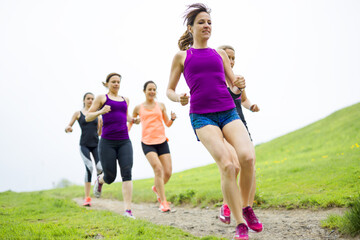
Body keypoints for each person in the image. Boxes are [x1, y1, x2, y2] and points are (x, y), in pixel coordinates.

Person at [166, 3, 260, 239]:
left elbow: (234, 82)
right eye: (201, 22)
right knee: (228, 165)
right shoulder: (181, 56)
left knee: (247, 157)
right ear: (191, 28)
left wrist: (241, 83)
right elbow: (169, 89)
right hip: (202, 116)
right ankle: (240, 223)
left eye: (209, 22)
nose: (206, 25)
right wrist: (179, 98)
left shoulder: (219, 54)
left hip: (228, 111)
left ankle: (246, 207)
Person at [217, 45, 261, 230]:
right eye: (228, 57)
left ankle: (247, 208)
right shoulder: (215, 80)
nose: (231, 61)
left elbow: (243, 100)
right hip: (223, 130)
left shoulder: (238, 79)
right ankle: (227, 205)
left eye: (233, 57)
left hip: (241, 126)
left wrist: (251, 107)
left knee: (249, 165)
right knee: (233, 167)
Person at [85, 73, 140, 219]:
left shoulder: (125, 100)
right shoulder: (101, 98)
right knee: (111, 176)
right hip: (107, 142)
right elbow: (88, 116)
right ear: (107, 83)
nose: (116, 84)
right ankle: (101, 180)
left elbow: (125, 116)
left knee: (127, 172)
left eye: (118, 82)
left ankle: (128, 210)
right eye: (113, 82)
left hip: (124, 141)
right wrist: (101, 111)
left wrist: (134, 120)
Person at [129, 80, 176, 213]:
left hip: (162, 141)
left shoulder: (161, 105)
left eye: (154, 89)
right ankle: (163, 202)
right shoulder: (138, 108)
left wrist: (172, 119)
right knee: (158, 169)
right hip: (147, 143)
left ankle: (156, 188)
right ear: (144, 91)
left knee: (168, 172)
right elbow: (132, 122)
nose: (152, 92)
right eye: (149, 89)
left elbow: (167, 123)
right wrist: (125, 131)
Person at [65, 92, 103, 207]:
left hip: (96, 144)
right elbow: (68, 126)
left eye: (92, 98)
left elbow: (99, 133)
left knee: (100, 168)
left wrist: (101, 126)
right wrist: (68, 128)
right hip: (84, 145)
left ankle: (98, 185)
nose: (90, 100)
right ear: (84, 100)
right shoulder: (78, 113)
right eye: (88, 98)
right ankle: (87, 198)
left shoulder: (97, 115)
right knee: (90, 168)